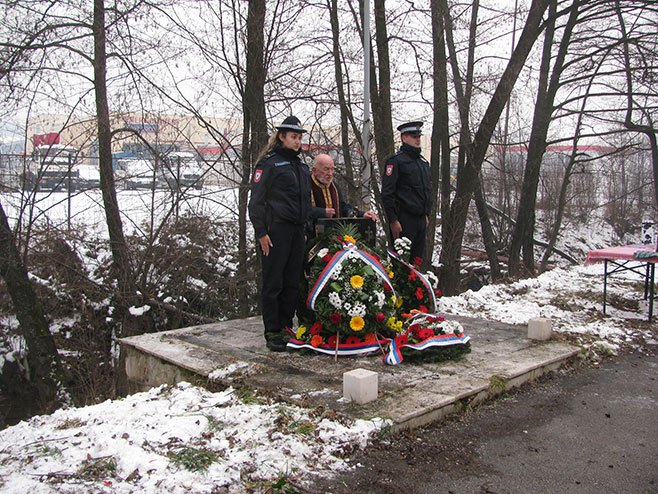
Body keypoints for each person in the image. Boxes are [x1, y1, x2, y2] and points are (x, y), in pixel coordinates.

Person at [248, 116, 311, 352]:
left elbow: (304, 201)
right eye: (294, 137)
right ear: (282, 137)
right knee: (274, 282)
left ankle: (286, 327)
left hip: (296, 231)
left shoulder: (301, 166)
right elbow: (256, 203)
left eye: (300, 137)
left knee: (291, 282)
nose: (297, 141)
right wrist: (261, 232)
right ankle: (272, 331)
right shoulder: (269, 164)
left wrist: (303, 229)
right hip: (276, 231)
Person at [381, 120, 432, 262]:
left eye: (419, 137)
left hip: (420, 219)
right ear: (404, 138)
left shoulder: (423, 163)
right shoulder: (396, 161)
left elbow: (426, 191)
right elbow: (387, 193)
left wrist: (426, 213)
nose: (418, 140)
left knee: (417, 261)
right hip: (404, 219)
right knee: (401, 263)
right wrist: (393, 220)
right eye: (414, 136)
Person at [309, 153, 378, 225]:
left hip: (333, 231)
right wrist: (322, 212)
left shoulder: (334, 186)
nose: (330, 173)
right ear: (314, 170)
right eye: (326, 169)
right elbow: (300, 210)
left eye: (332, 169)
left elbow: (342, 207)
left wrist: (361, 214)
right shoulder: (305, 185)